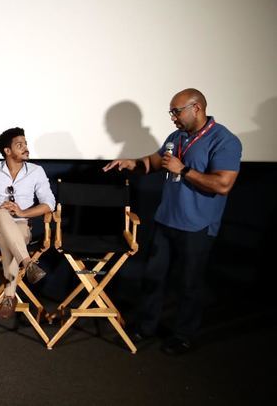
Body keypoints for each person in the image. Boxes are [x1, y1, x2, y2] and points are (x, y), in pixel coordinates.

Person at [103, 88, 242, 355]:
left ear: (197, 108)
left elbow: (223, 184)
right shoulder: (177, 137)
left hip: (198, 225)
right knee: (153, 278)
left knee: (189, 283)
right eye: (171, 112)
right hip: (166, 219)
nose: (173, 118)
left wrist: (184, 170)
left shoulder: (224, 140)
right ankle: (146, 326)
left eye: (176, 112)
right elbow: (156, 162)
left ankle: (183, 335)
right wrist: (132, 163)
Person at [0, 127, 55, 319]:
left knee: (5, 240)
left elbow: (49, 203)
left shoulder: (36, 171)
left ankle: (9, 297)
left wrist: (22, 211)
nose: (26, 148)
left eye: (25, 144)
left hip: (21, 226)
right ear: (7, 151)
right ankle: (28, 263)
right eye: (20, 145)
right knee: (1, 215)